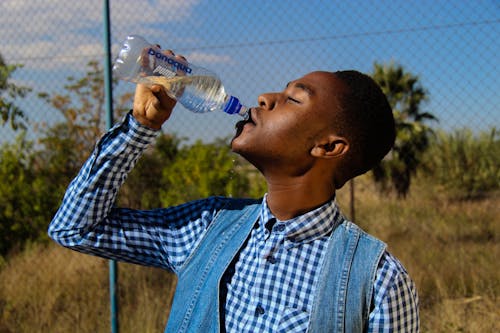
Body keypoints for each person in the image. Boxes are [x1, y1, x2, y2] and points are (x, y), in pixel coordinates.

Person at [48, 50, 419, 332]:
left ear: (327, 147)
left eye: (293, 98)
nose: (264, 98)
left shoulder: (378, 280)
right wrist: (140, 128)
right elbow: (75, 228)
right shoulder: (208, 226)